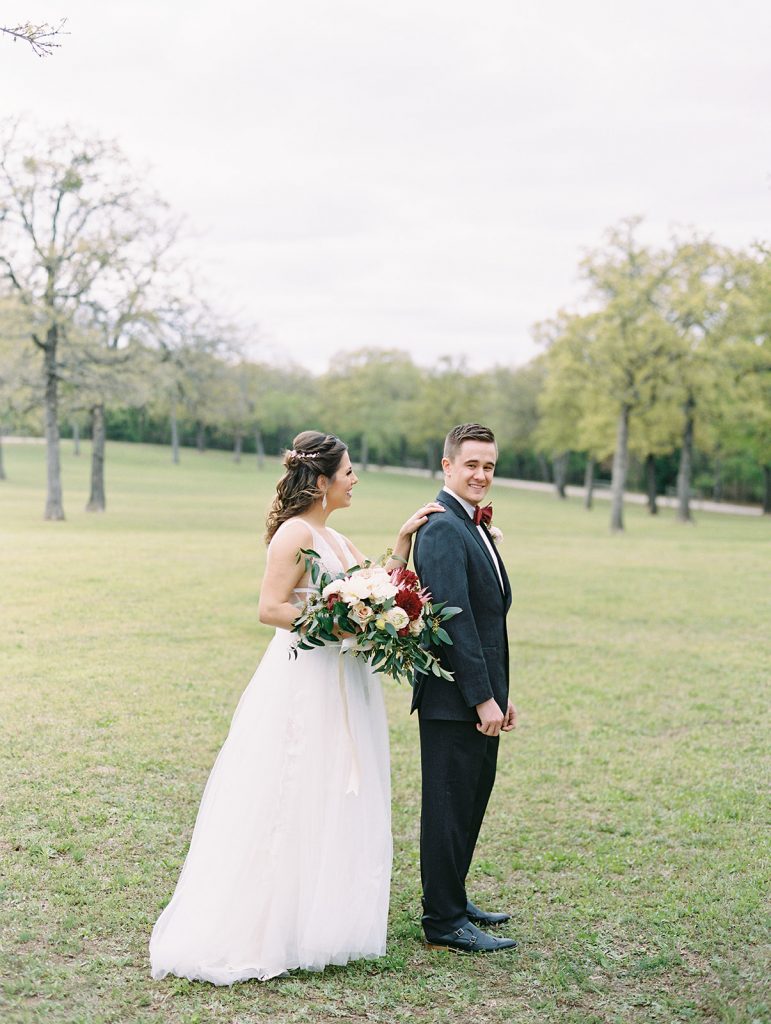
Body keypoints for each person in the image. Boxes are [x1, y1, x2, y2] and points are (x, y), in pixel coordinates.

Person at [150, 430, 443, 984]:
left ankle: (323, 918)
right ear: (322, 481)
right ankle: (270, 924)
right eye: (349, 472)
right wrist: (337, 623)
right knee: (295, 784)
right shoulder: (294, 534)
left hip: (345, 678)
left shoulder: (338, 536)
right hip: (305, 676)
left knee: (335, 788)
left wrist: (401, 546)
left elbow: (380, 584)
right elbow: (269, 607)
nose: (356, 480)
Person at [411, 423, 518, 953]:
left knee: (471, 799)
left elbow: (489, 618)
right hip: (453, 699)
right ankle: (443, 920)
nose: (481, 475)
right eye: (471, 464)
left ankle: (454, 896)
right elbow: (455, 624)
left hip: (479, 692)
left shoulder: (471, 524)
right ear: (447, 465)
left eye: (489, 466)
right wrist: (481, 696)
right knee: (449, 806)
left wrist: (500, 691)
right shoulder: (441, 530)